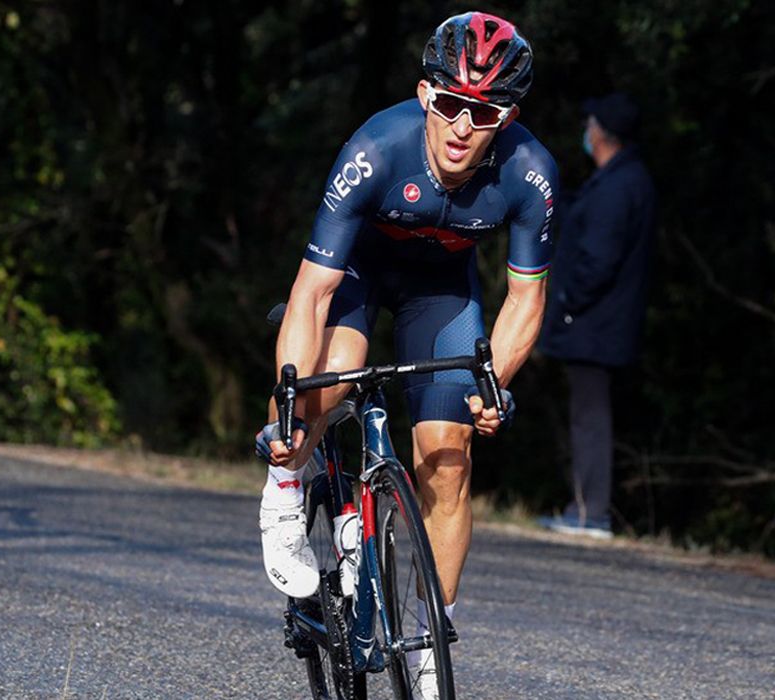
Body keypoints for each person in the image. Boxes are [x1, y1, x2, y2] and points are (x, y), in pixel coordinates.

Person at [255, 12, 556, 698]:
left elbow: (526, 301)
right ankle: (287, 488)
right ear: (425, 95)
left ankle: (428, 636)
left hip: (441, 293)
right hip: (356, 277)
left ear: (506, 117)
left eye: (481, 112)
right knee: (325, 392)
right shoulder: (375, 149)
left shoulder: (531, 173)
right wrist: (291, 405)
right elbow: (311, 295)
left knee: (448, 460)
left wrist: (494, 385)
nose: (460, 127)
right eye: (448, 104)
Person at [537, 92, 656, 539]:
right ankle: (585, 508)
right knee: (589, 413)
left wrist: (566, 302)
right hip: (599, 323)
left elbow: (598, 261)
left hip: (595, 324)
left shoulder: (619, 187)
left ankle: (590, 512)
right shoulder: (619, 181)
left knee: (590, 417)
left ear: (602, 133)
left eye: (589, 125)